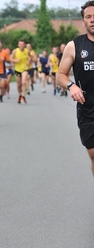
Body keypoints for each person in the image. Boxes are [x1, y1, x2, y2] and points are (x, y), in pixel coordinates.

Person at [57, 0, 94, 176]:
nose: (92, 20)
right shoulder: (75, 46)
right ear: (84, 21)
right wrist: (71, 86)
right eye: (89, 16)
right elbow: (60, 75)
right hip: (87, 109)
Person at [10, 39, 31, 104]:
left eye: (22, 44)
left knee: (24, 82)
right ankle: (20, 94)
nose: (21, 46)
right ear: (18, 45)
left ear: (24, 45)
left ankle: (23, 95)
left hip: (25, 68)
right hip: (17, 69)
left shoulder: (27, 51)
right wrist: (15, 61)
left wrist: (28, 61)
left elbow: (30, 57)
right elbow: (10, 58)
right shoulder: (15, 51)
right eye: (20, 44)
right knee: (19, 84)